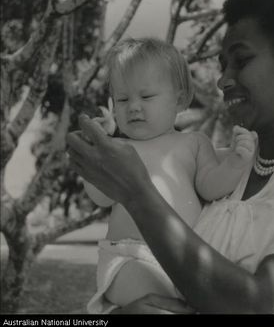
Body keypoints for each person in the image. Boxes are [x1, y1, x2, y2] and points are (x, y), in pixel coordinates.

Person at [67, 0, 274, 314]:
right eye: (222, 65)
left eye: (241, 61)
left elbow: (263, 306)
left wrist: (136, 191)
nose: (223, 79)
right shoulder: (219, 166)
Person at [84, 38, 257, 313]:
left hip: (185, 258)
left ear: (179, 100)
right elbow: (101, 197)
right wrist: (94, 159)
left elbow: (210, 186)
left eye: (147, 97)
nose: (134, 107)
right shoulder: (119, 149)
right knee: (160, 302)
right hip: (131, 255)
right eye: (123, 99)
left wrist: (236, 162)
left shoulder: (194, 143)